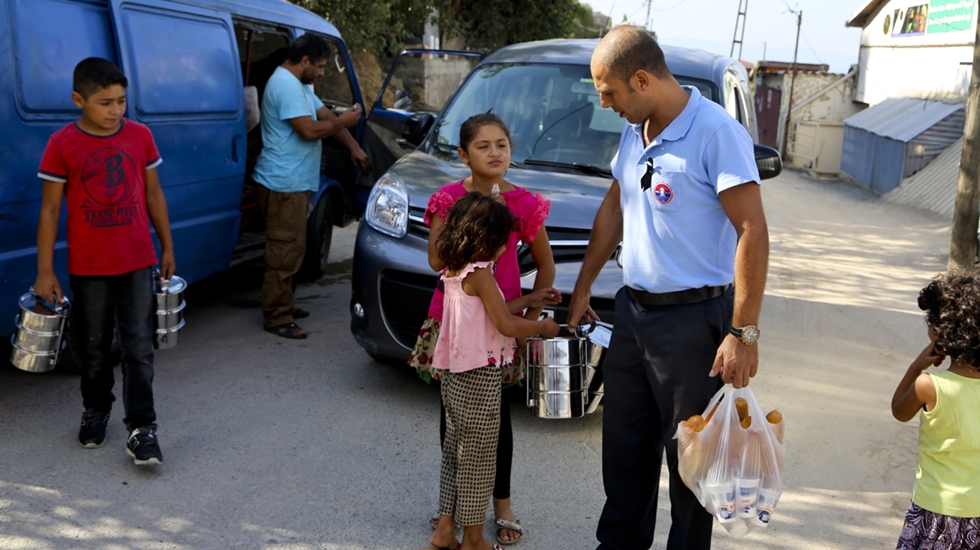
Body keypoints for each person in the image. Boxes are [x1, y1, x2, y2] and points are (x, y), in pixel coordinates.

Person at [565, 26, 769, 550]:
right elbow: (615, 207)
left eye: (608, 91)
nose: (604, 102)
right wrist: (584, 287)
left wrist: (744, 333)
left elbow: (752, 229)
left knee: (692, 467)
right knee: (625, 453)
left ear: (641, 78)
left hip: (694, 326)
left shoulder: (716, 132)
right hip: (633, 317)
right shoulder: (637, 128)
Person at [407, 112, 560, 545]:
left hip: (502, 321)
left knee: (495, 425)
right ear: (463, 154)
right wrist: (468, 219)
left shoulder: (525, 203)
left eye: (502, 144)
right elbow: (438, 261)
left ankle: (501, 506)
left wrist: (526, 321)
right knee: (457, 425)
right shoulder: (449, 198)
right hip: (456, 321)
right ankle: (449, 518)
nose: (494, 153)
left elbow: (545, 265)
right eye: (483, 145)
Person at [34, 57, 175, 466]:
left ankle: (142, 428)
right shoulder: (62, 144)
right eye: (105, 103)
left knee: (139, 349)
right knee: (93, 350)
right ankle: (96, 409)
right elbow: (48, 212)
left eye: (121, 101)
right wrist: (46, 271)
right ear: (79, 100)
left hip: (136, 261)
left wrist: (167, 246)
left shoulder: (140, 136)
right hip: (89, 267)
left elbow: (153, 195)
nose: (115, 111)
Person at [428, 193, 560, 550]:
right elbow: (504, 324)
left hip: (457, 377)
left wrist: (530, 301)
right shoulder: (483, 275)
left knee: (455, 453)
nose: (506, 249)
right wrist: (542, 328)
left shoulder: (455, 271)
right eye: (505, 242)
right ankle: (472, 539)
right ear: (488, 241)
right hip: (480, 378)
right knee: (480, 459)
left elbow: (488, 312)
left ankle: (444, 531)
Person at [252, 34, 367, 339]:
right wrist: (345, 122)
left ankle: (284, 305)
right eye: (319, 66)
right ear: (304, 62)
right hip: (282, 183)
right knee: (283, 251)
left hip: (294, 182)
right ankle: (277, 316)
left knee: (293, 247)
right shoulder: (285, 84)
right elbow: (307, 130)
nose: (322, 72)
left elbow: (325, 116)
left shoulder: (300, 85)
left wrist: (353, 146)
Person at [892, 270, 980, 550]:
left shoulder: (929, 385)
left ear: (939, 332)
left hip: (936, 510)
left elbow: (899, 410)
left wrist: (916, 367)